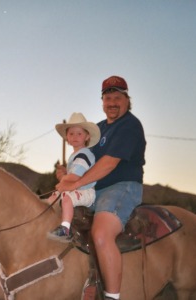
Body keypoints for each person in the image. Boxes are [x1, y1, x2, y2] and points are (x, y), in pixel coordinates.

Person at [56, 75, 146, 300]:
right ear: (102, 102)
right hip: (94, 189)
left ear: (127, 100)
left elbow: (108, 164)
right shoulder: (98, 128)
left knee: (101, 233)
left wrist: (76, 183)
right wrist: (67, 176)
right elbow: (85, 161)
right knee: (61, 219)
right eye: (108, 98)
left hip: (121, 187)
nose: (112, 103)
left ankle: (112, 296)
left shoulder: (130, 126)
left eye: (117, 97)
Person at [47, 112, 100, 243]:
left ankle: (65, 229)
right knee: (52, 198)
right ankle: (49, 222)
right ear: (67, 138)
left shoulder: (84, 154)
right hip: (75, 189)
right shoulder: (75, 155)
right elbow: (72, 176)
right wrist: (64, 178)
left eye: (79, 134)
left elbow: (75, 176)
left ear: (87, 136)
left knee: (66, 200)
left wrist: (62, 180)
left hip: (85, 191)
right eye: (71, 134)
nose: (75, 137)